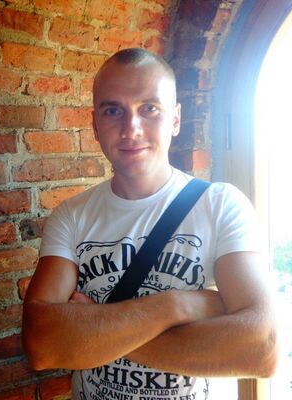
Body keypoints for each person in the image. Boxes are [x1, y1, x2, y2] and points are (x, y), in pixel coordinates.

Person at [22, 48, 278, 400]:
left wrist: (96, 332)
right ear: (95, 124)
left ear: (175, 120)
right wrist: (179, 305)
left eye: (149, 109)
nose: (131, 129)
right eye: (114, 111)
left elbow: (262, 349)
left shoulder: (221, 206)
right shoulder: (71, 216)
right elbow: (42, 346)